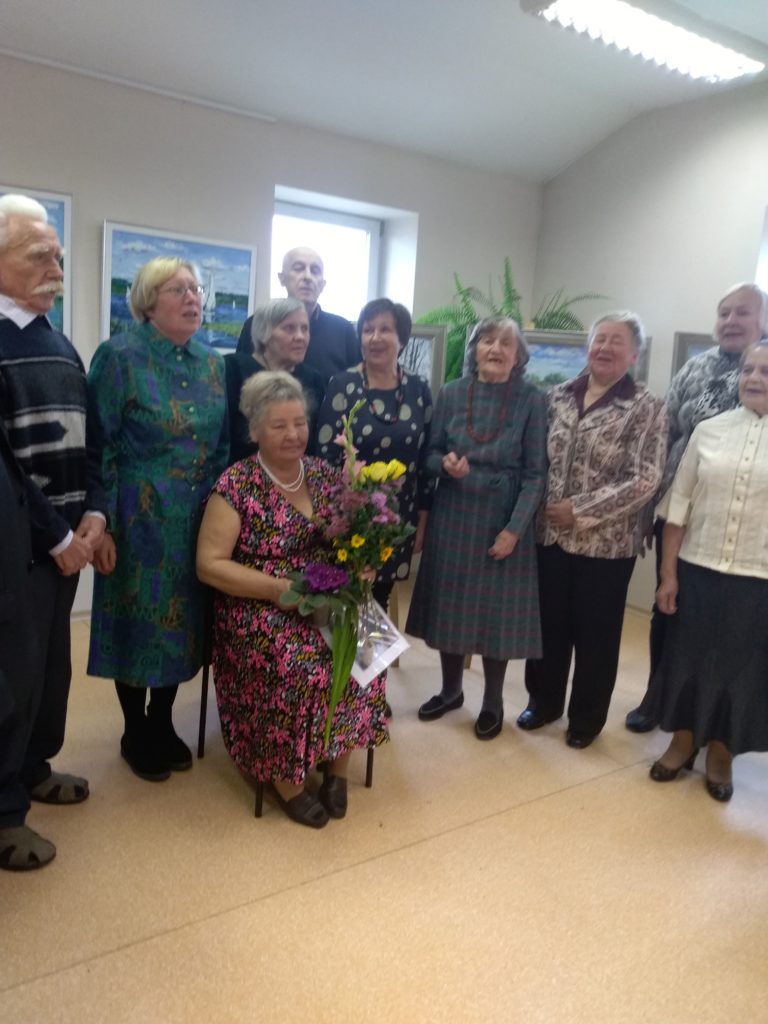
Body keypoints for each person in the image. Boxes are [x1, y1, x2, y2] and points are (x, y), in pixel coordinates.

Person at [196, 371, 388, 828]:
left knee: (370, 646)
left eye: (300, 423)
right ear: (255, 430)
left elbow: (354, 536)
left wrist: (364, 562)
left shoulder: (324, 475)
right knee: (299, 666)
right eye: (279, 425)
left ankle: (337, 766)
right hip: (258, 600)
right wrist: (273, 588)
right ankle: (287, 781)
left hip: (328, 592)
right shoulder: (236, 485)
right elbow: (209, 565)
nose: (293, 434)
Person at [86, 256, 228, 781]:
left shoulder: (212, 364)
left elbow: (221, 447)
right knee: (135, 622)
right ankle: (134, 730)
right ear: (148, 303)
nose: (192, 298)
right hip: (135, 517)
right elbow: (98, 444)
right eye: (177, 290)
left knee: (181, 626)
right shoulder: (119, 356)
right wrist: (101, 522)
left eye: (195, 289)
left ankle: (162, 721)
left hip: (194, 519)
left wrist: (221, 517)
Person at [0, 194, 106, 809]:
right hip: (17, 551)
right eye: (39, 256)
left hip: (68, 544)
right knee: (10, 672)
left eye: (58, 258)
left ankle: (35, 767)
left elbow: (91, 442)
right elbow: (4, 469)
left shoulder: (62, 347)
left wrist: (93, 514)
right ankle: (4, 803)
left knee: (50, 665)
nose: (56, 271)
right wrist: (57, 536)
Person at [519, 312, 667, 748]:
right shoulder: (556, 396)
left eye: (616, 341)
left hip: (607, 546)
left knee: (596, 636)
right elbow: (536, 459)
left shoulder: (646, 406)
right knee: (549, 627)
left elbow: (645, 479)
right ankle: (543, 702)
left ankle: (585, 720)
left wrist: (580, 510)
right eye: (599, 339)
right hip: (550, 537)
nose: (604, 347)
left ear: (634, 354)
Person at [626, 283, 768, 733]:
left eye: (742, 313)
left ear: (762, 320)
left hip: (742, 523)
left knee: (733, 631)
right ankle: (659, 698)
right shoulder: (695, 367)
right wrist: (649, 508)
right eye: (724, 313)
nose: (730, 321)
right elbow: (664, 434)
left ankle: (716, 720)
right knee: (669, 610)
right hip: (679, 509)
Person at [406, 316, 547, 740]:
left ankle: (493, 702)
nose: (496, 349)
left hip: (502, 517)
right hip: (453, 512)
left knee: (494, 616)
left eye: (506, 343)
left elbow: (536, 474)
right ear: (475, 349)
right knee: (451, 608)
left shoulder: (531, 399)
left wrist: (514, 529)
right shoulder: (451, 393)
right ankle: (451, 692)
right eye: (487, 340)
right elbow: (428, 456)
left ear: (519, 356)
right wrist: (444, 465)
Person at [645, 339, 768, 801]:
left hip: (759, 579)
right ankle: (682, 741)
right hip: (698, 569)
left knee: (743, 669)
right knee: (689, 660)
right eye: (749, 369)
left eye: (766, 372)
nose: (754, 378)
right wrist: (668, 576)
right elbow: (678, 506)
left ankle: (721, 753)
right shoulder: (709, 430)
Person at [316, 297, 432, 609]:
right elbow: (324, 456)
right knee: (343, 603)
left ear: (402, 339)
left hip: (397, 517)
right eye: (368, 330)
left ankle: (372, 645)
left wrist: (422, 520)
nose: (375, 337)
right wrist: (333, 517)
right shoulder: (342, 385)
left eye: (385, 330)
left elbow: (424, 461)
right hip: (350, 516)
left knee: (379, 601)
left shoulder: (419, 389)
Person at [237, 247, 360, 385]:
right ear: (282, 278)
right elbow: (241, 377)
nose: (308, 277)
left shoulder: (343, 330)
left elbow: (356, 385)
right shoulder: (256, 324)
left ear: (323, 284)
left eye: (315, 270)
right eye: (298, 268)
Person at [225, 297, 325, 464]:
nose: (300, 337)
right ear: (264, 334)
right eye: (289, 328)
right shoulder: (232, 369)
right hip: (240, 475)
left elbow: (313, 445)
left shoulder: (314, 379)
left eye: (305, 328)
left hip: (297, 475)